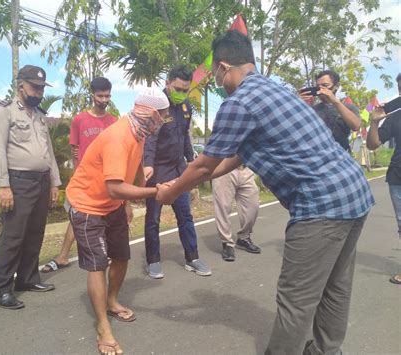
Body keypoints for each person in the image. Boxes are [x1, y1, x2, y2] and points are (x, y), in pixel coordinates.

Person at [156, 30, 374, 354]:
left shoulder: (240, 101)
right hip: (354, 193)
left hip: (321, 206)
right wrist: (182, 183)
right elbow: (233, 158)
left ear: (224, 67)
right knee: (336, 287)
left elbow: (202, 166)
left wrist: (172, 192)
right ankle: (327, 350)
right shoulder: (277, 89)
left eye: (215, 72)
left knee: (296, 300)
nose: (216, 79)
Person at [66, 87, 169, 355]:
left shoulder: (139, 132)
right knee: (97, 265)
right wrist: (155, 192)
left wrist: (131, 197)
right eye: (163, 116)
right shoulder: (119, 136)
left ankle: (112, 301)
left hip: (113, 204)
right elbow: (114, 186)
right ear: (151, 113)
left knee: (122, 256)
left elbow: (132, 172)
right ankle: (102, 326)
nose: (164, 121)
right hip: (87, 205)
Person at [0, 65, 61, 310]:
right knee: (13, 236)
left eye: (42, 88)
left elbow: (48, 152)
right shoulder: (4, 113)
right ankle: (1, 289)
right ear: (21, 86)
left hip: (41, 181)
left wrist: (54, 182)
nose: (39, 92)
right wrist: (3, 186)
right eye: (35, 87)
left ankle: (28, 279)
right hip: (18, 182)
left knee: (34, 233)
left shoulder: (40, 116)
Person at [41, 77, 116, 273]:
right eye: (100, 95)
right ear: (92, 95)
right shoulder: (79, 120)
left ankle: (101, 253)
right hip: (85, 181)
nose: (104, 99)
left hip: (107, 179)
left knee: (106, 217)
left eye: (107, 95)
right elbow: (75, 151)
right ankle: (63, 256)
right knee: (77, 217)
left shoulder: (113, 122)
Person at [143, 65, 211, 279]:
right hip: (157, 171)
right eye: (177, 89)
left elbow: (185, 138)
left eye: (185, 90)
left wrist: (192, 162)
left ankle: (192, 257)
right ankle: (153, 260)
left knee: (185, 215)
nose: (181, 93)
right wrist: (147, 165)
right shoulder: (157, 106)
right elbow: (150, 139)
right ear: (167, 83)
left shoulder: (186, 107)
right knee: (153, 218)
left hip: (179, 170)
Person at [366, 73, 401, 285]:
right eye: (400, 87)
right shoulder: (395, 115)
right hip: (399, 175)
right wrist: (374, 122)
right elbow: (373, 144)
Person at [299, 69, 361, 152]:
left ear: (336, 86)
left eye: (325, 85)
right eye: (318, 87)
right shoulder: (312, 109)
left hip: (341, 154)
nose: (321, 90)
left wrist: (335, 101)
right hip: (316, 155)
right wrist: (299, 105)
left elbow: (356, 126)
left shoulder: (348, 107)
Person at [212, 166, 260, 261]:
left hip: (245, 168)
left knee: (253, 206)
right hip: (223, 168)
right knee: (223, 208)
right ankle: (227, 243)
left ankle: (244, 237)